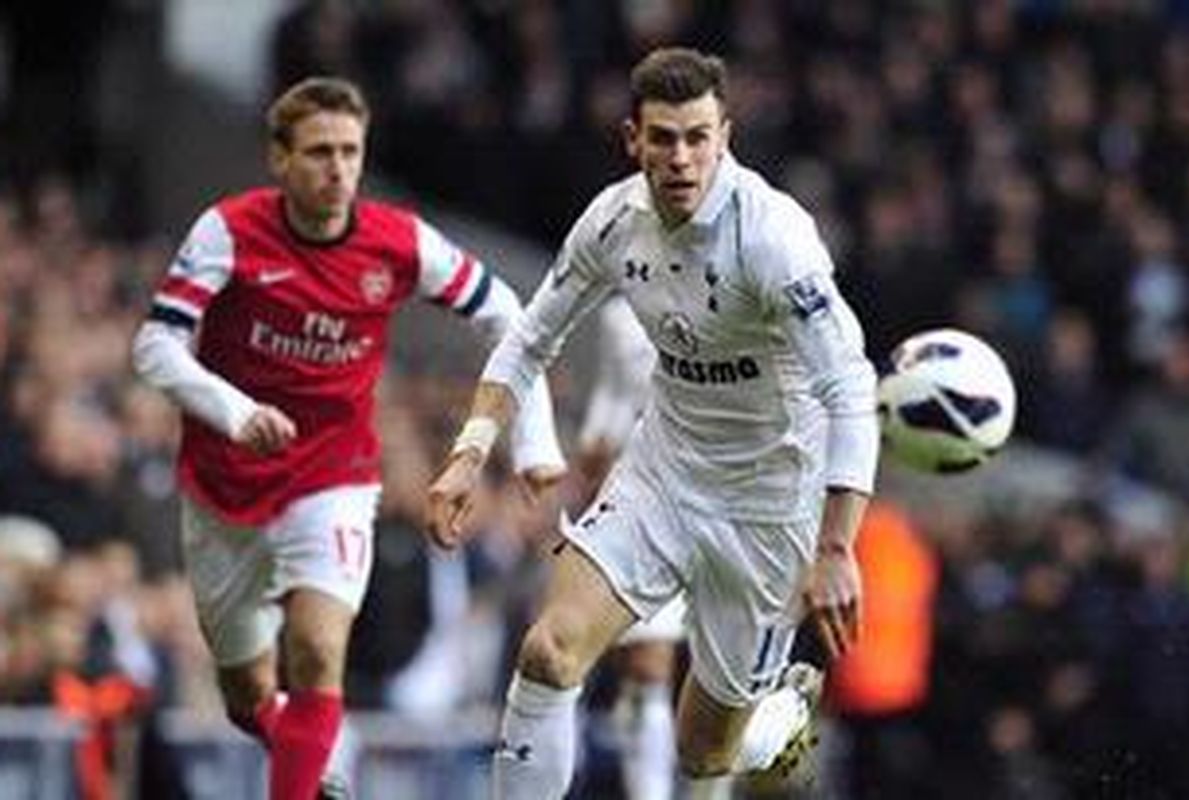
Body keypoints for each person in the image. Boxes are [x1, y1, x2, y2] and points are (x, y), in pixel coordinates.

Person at [426, 47, 879, 799]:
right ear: (631, 139)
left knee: (703, 752)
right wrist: (470, 452)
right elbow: (529, 338)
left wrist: (835, 547)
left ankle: (778, 712)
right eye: (663, 137)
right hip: (663, 473)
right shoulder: (613, 222)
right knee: (548, 652)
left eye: (698, 137)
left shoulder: (773, 236)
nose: (681, 157)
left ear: (725, 137)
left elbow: (851, 388)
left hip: (769, 507)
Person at [131, 76, 564, 800]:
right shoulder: (229, 230)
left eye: (351, 152)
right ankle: (297, 745)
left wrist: (533, 441)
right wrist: (236, 413)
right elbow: (155, 346)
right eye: (319, 152)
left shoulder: (398, 243)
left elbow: (508, 314)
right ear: (279, 158)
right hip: (224, 489)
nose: (338, 170)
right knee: (246, 694)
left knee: (317, 647)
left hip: (333, 479)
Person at [574, 296, 684, 800]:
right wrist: (597, 437)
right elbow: (614, 394)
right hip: (649, 505)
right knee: (647, 665)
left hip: (729, 498)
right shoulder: (622, 314)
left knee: (725, 679)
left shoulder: (737, 283)